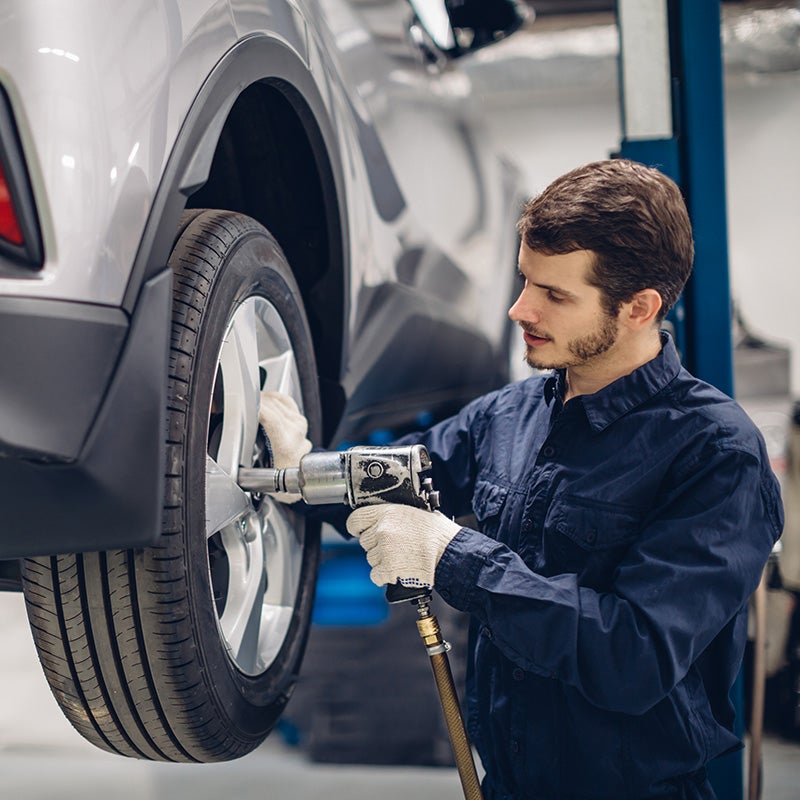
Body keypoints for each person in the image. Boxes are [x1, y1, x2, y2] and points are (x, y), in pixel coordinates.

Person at [259, 159, 783, 799]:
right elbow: (392, 488)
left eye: (555, 295)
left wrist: (454, 557)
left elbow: (634, 657)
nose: (518, 309)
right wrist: (302, 467)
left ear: (639, 307)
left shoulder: (716, 453)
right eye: (525, 280)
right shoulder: (507, 415)